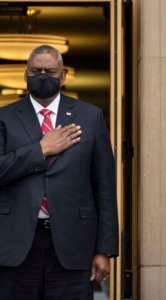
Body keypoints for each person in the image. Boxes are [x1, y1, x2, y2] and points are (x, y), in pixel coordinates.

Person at [0, 44, 118, 299]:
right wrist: (41, 149)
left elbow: (104, 186)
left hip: (74, 243)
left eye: (50, 71)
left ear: (63, 76)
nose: (42, 76)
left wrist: (104, 249)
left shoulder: (90, 117)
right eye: (36, 70)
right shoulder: (5, 117)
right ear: (25, 74)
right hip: (15, 245)